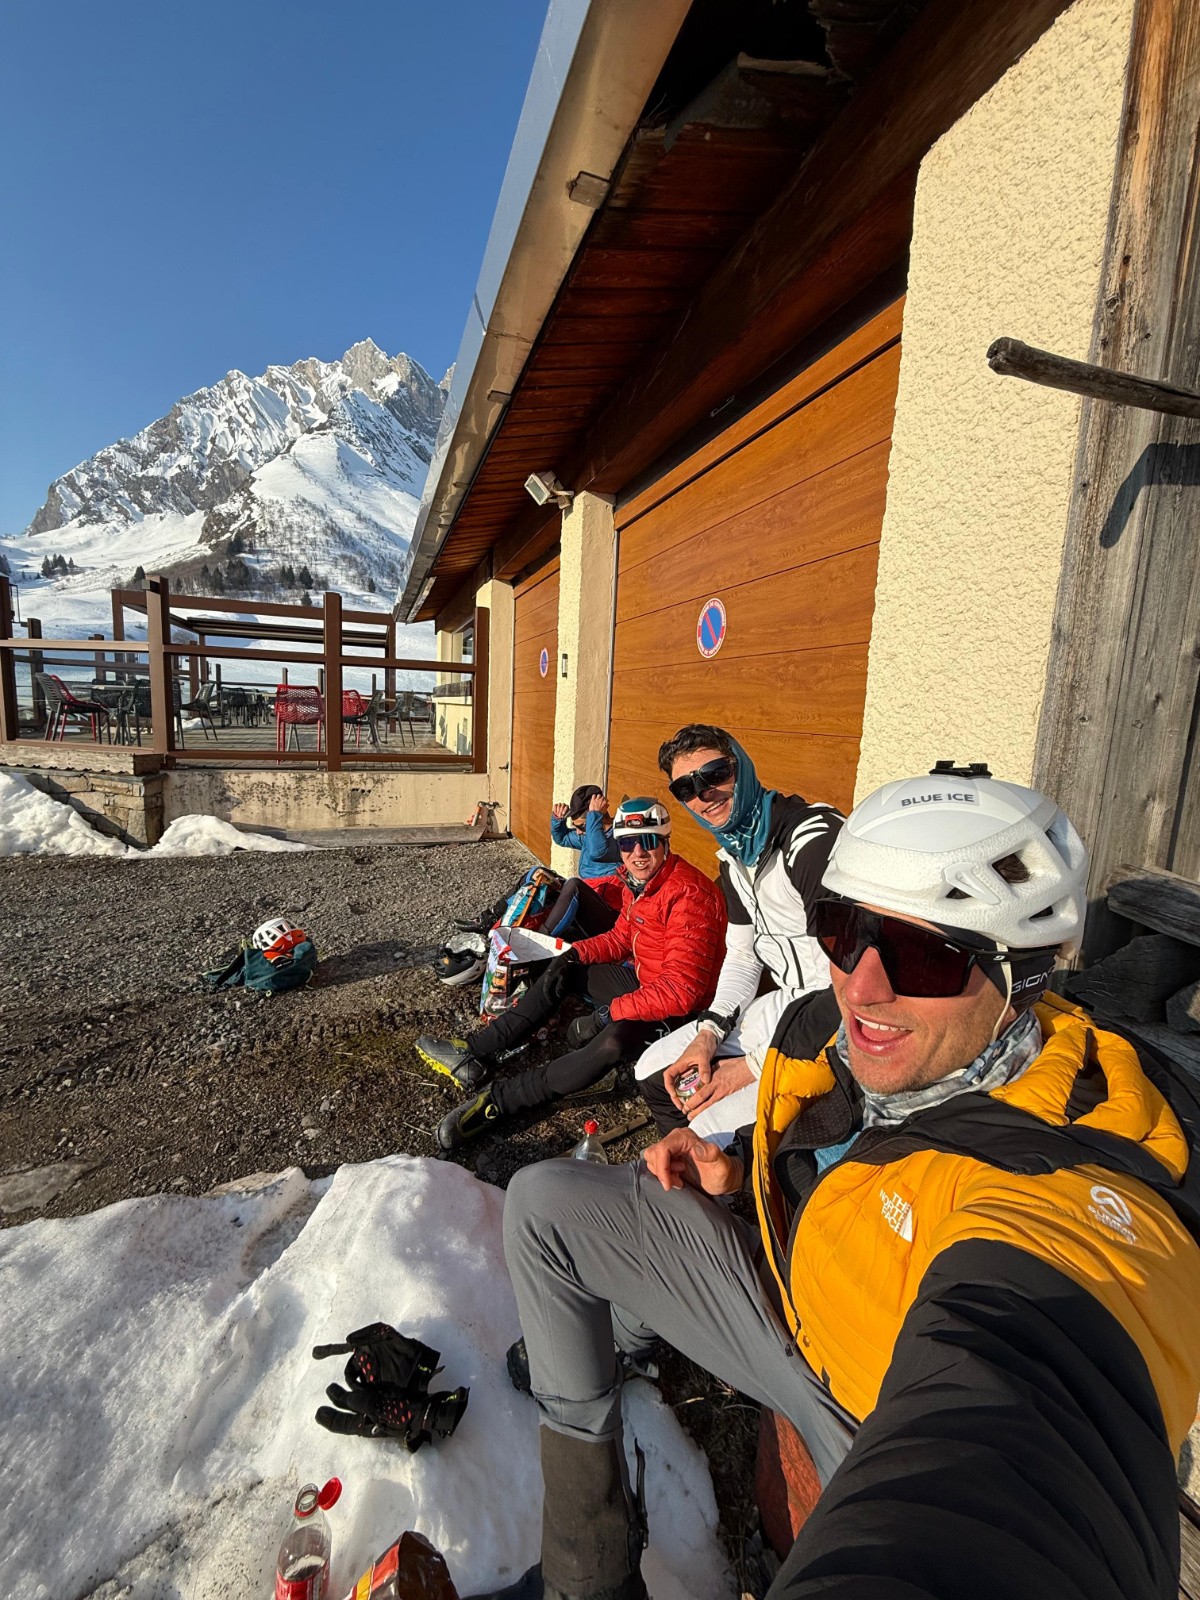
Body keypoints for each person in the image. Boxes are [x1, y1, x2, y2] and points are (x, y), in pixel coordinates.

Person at [472, 766, 1200, 1600]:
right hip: (792, 1287)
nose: (862, 986)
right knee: (544, 1202)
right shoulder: (858, 1040)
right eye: (844, 930)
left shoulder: (1066, 1187)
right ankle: (587, 1568)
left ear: (1022, 975)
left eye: (926, 953)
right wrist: (739, 1176)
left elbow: (1031, 1430)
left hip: (864, 1419)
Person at [418, 798, 727, 1150]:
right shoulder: (638, 882)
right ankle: (474, 1052)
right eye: (627, 843)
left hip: (683, 1015)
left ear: (666, 843)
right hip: (646, 983)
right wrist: (574, 952)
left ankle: (500, 1102)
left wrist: (606, 1015)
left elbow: (681, 992)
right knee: (562, 969)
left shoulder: (689, 895)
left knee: (610, 1043)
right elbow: (622, 937)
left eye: (650, 841)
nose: (638, 852)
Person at [635, 724, 843, 1142]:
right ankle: (709, 1180)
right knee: (652, 1069)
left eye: (714, 775)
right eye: (686, 789)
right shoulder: (734, 858)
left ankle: (726, 1176)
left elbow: (853, 981)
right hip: (787, 1005)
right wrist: (709, 1034)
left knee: (709, 1128)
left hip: (837, 1024)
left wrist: (750, 1067)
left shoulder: (809, 840)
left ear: (742, 767)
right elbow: (744, 957)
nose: (703, 795)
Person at [543, 787, 623, 940]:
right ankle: (495, 917)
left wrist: (595, 815)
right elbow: (563, 838)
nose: (578, 832)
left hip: (608, 912)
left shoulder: (619, 837)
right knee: (541, 874)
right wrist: (557, 820)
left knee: (574, 885)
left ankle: (538, 941)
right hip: (589, 897)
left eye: (581, 826)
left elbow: (598, 851)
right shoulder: (588, 835)